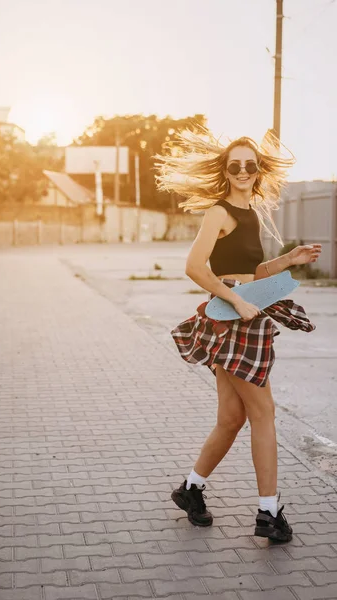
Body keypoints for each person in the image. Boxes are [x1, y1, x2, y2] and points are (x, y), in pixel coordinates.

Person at [155, 128, 322, 542]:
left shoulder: (251, 213)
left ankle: (191, 490)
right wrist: (239, 302)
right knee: (263, 414)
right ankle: (268, 513)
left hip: (240, 313)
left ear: (259, 170)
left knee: (232, 418)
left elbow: (253, 273)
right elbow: (196, 267)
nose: (244, 170)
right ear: (226, 171)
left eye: (251, 164)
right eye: (236, 165)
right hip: (231, 320)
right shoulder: (220, 212)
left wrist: (289, 259)